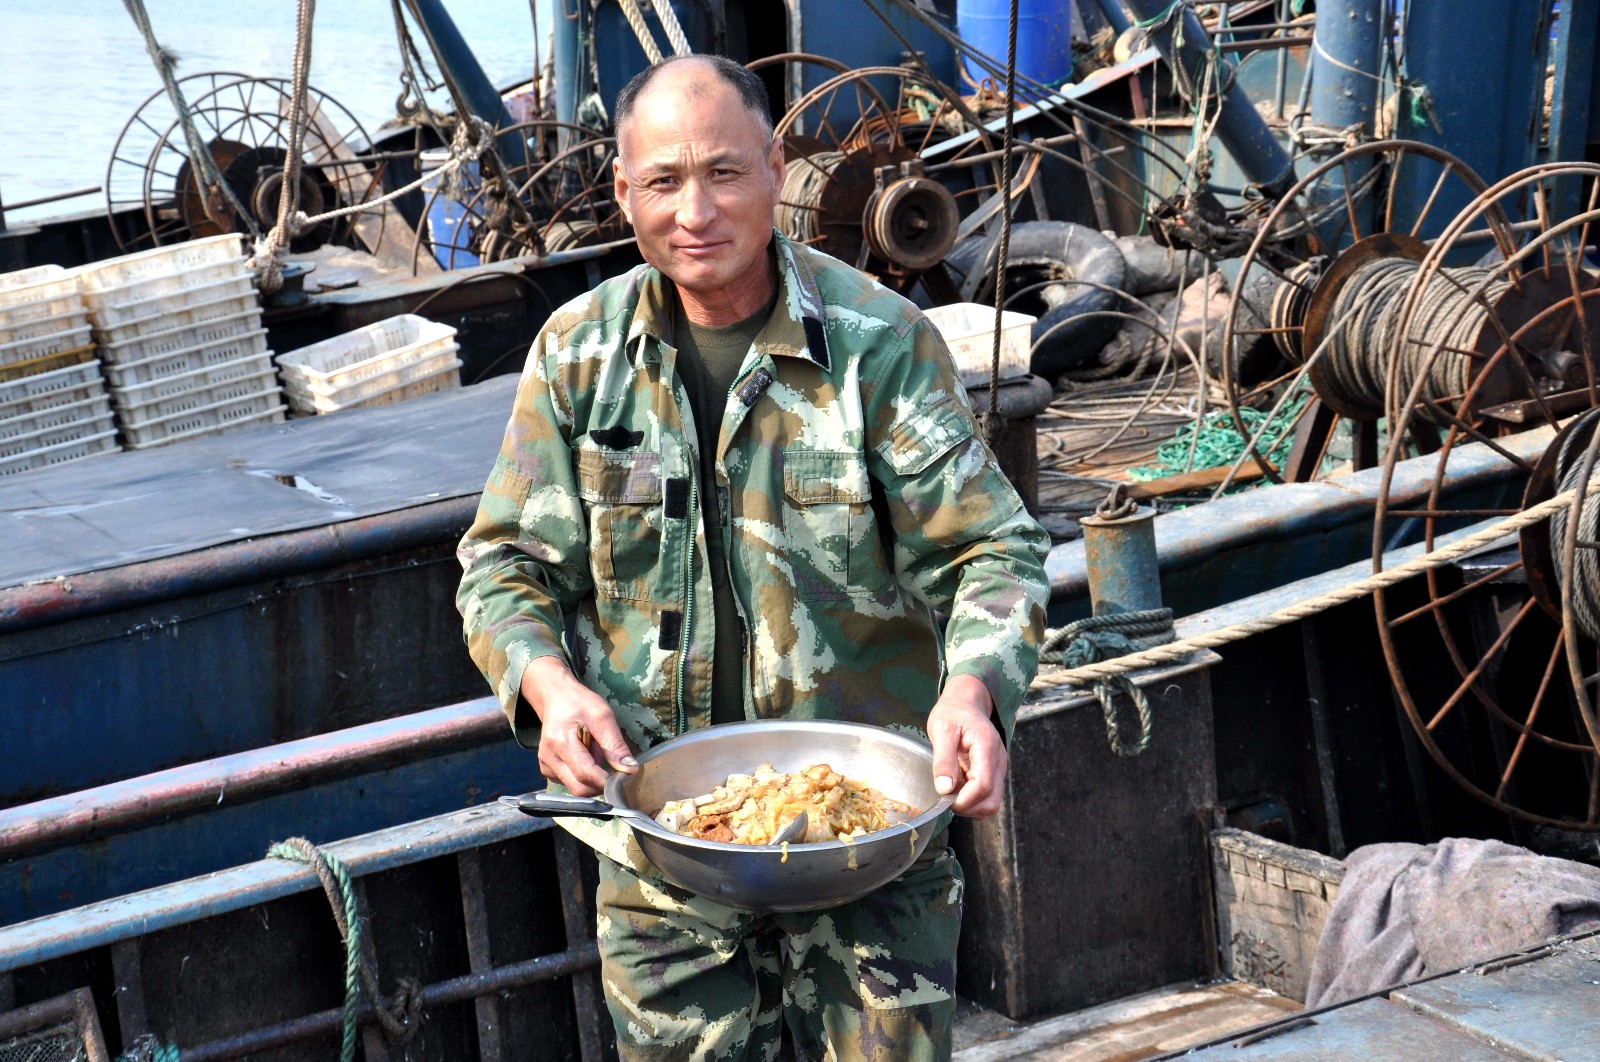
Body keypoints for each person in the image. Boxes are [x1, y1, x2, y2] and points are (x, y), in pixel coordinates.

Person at [457, 53, 1050, 1061]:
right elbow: (505, 567)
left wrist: (974, 691)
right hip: (662, 860)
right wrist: (549, 690)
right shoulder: (575, 356)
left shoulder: (878, 345)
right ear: (622, 192)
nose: (695, 210)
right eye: (663, 181)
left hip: (867, 847)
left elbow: (991, 550)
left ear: (776, 167)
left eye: (725, 172)